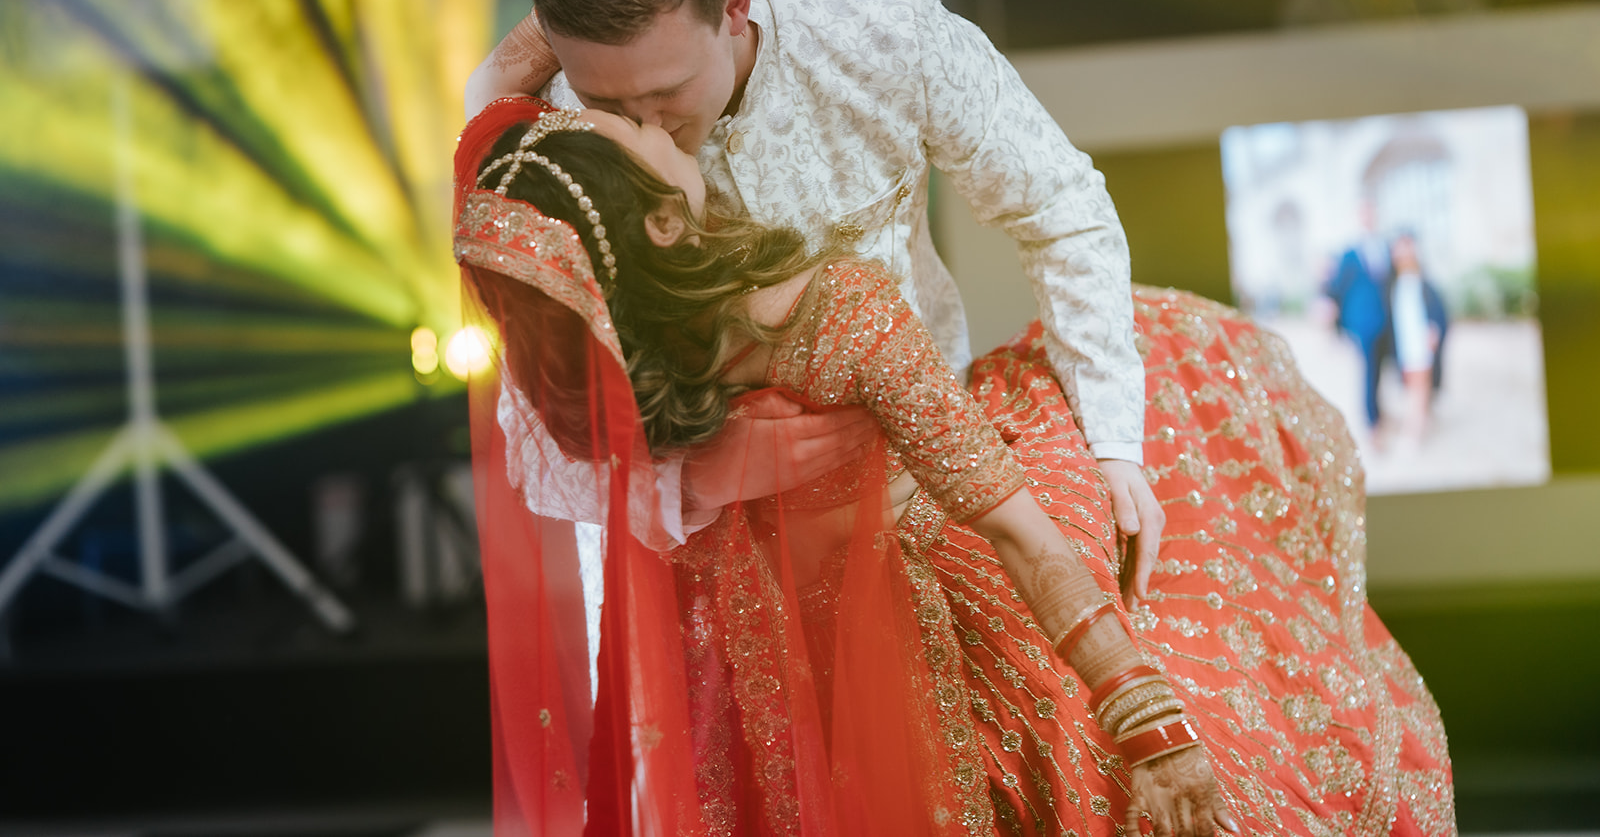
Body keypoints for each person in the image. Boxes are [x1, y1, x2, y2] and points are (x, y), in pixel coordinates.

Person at [454, 95, 1456, 837]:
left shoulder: (606, 386)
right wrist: (1151, 719)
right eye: (632, 135)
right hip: (934, 603)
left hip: (755, 675)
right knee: (1181, 361)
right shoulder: (834, 311)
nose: (649, 120)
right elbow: (1013, 526)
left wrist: (690, 484)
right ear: (663, 223)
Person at [464, 0, 1166, 603]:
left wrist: (1114, 444)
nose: (646, 130)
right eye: (608, 101)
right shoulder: (550, 133)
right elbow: (539, 428)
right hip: (692, 562)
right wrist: (688, 479)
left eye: (668, 92)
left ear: (734, 3)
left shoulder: (879, 22)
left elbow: (1059, 203)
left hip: (925, 490)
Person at [1325, 200, 1391, 434]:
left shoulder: (1385, 247)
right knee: (1369, 371)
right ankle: (1372, 422)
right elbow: (1336, 286)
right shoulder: (1350, 253)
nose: (1369, 218)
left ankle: (1380, 411)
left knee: (1382, 369)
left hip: (1387, 321)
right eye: (1365, 214)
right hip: (1363, 324)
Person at [1386, 233, 1449, 445]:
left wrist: (1434, 330)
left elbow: (1438, 312)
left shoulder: (1424, 283)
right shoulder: (1393, 285)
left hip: (1421, 343)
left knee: (1419, 388)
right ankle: (1421, 422)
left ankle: (1413, 432)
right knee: (1412, 387)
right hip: (1404, 344)